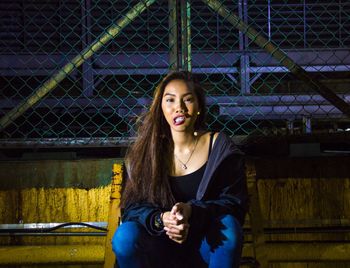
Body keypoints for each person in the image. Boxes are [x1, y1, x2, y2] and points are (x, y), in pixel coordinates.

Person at [112, 71, 248, 268]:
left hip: (204, 247)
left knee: (229, 229)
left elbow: (234, 204)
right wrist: (161, 219)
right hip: (157, 249)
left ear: (199, 107)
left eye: (188, 100)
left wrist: (191, 211)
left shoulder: (218, 147)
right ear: (160, 108)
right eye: (170, 100)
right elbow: (132, 209)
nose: (179, 108)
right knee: (125, 237)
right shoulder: (145, 151)